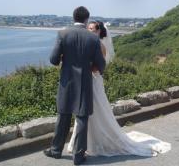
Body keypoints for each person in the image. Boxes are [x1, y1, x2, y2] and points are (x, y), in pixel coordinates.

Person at [67, 21, 171, 157]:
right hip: (87, 80)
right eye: (88, 28)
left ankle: (96, 142)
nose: (89, 30)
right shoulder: (89, 43)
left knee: (97, 110)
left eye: (92, 29)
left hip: (94, 80)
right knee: (85, 112)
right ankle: (82, 142)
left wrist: (83, 68)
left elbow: (98, 67)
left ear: (98, 31)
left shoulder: (100, 46)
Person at [44, 6, 106, 165]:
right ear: (86, 19)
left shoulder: (63, 34)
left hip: (67, 81)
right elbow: (101, 64)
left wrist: (64, 58)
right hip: (84, 81)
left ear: (73, 18)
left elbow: (53, 60)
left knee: (63, 116)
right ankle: (78, 156)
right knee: (82, 118)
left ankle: (56, 150)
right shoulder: (93, 39)